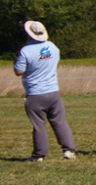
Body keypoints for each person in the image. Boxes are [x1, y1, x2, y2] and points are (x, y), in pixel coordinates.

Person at [14, 21, 77, 162]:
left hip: (35, 93)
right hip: (53, 91)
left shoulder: (25, 51)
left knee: (38, 124)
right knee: (59, 121)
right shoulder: (53, 47)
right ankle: (69, 150)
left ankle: (39, 155)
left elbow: (19, 71)